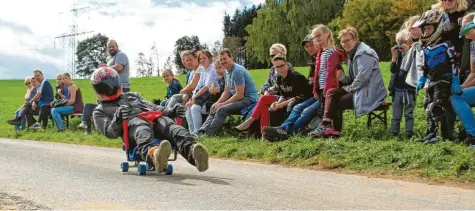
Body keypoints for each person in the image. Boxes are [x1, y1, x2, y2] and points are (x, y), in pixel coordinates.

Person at [91, 67, 209, 173]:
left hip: (153, 119)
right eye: (106, 86)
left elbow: (154, 107)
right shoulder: (99, 111)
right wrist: (118, 118)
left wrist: (170, 111)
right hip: (133, 130)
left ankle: (193, 153)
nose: (111, 88)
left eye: (113, 83)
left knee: (170, 125)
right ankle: (155, 155)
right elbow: (110, 133)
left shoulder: (133, 95)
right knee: (140, 124)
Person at [263, 24, 347, 140]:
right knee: (297, 108)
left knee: (305, 109)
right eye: (306, 46)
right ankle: (283, 129)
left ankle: (287, 133)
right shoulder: (316, 60)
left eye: (311, 45)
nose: (308, 48)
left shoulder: (329, 55)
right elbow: (313, 81)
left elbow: (334, 77)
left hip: (328, 94)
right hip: (317, 94)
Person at [309, 26, 387, 138]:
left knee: (337, 100)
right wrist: (342, 78)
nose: (344, 44)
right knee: (332, 92)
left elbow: (363, 77)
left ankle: (330, 128)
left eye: (347, 40)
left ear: (355, 39)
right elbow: (351, 79)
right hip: (360, 90)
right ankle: (330, 127)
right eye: (342, 41)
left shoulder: (364, 53)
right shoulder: (352, 55)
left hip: (370, 92)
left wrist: (348, 88)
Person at [413, 9, 462, 144]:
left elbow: (454, 64)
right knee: (427, 105)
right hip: (431, 80)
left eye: (428, 28)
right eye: (424, 29)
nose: (426, 32)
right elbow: (424, 66)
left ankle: (443, 135)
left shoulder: (447, 45)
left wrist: (456, 81)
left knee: (436, 106)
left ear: (438, 27)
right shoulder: (426, 49)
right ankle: (431, 134)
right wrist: (422, 79)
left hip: (444, 80)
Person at [235, 43, 296, 133]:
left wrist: (269, 91)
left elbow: (283, 85)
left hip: (284, 97)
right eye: (271, 55)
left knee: (264, 99)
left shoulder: (287, 66)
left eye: (275, 55)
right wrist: (265, 89)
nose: (272, 58)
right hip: (273, 98)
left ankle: (250, 121)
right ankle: (264, 134)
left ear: (283, 55)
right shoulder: (272, 69)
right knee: (264, 107)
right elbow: (267, 83)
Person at [197, 49, 259, 136]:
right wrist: (218, 102)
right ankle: (201, 131)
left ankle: (209, 134)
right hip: (239, 99)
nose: (222, 61)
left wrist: (223, 104)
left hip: (248, 99)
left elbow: (239, 95)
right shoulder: (226, 71)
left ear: (231, 58)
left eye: (225, 58)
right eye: (221, 59)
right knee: (214, 107)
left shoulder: (237, 71)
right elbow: (226, 91)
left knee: (222, 109)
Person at [448, 15, 475, 147]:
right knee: (456, 96)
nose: (463, 29)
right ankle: (472, 134)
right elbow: (474, 72)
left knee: (457, 97)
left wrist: (465, 86)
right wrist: (462, 86)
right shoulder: (473, 45)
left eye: (466, 27)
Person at [388, 29, 417, 138]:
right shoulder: (398, 55)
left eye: (403, 44)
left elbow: (413, 69)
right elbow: (392, 70)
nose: (400, 46)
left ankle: (409, 133)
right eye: (398, 44)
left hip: (409, 90)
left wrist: (407, 53)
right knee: (396, 114)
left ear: (410, 44)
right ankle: (394, 132)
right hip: (397, 89)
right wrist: (394, 57)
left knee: (409, 113)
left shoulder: (414, 55)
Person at [185, 51, 219, 133]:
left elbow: (206, 87)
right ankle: (191, 132)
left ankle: (197, 132)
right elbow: (198, 85)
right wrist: (192, 98)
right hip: (202, 97)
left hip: (212, 97)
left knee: (194, 108)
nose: (202, 60)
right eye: (200, 59)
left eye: (204, 58)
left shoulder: (213, 69)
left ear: (210, 59)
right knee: (188, 107)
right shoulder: (202, 69)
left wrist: (194, 97)